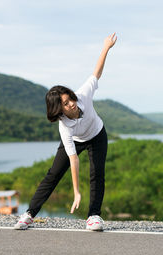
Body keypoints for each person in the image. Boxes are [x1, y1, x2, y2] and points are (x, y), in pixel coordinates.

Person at [14, 33, 117, 231]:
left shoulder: (83, 95)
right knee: (53, 174)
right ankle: (29, 214)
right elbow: (73, 160)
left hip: (96, 134)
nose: (72, 104)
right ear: (59, 110)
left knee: (97, 173)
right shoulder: (64, 126)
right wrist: (76, 192)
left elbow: (96, 72)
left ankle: (94, 216)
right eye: (66, 104)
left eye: (70, 99)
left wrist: (106, 47)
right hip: (77, 139)